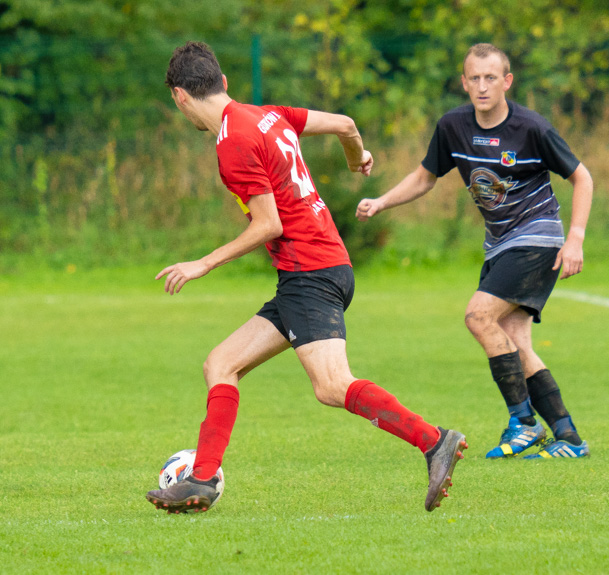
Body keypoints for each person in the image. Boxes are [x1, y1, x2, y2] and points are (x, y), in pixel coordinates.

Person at [145, 41, 467, 514]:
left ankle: (434, 440)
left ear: (179, 97)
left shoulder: (233, 142)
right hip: (317, 267)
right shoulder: (267, 115)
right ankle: (203, 480)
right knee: (221, 364)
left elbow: (268, 225)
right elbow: (345, 124)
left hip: (309, 271)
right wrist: (357, 156)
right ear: (224, 83)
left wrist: (203, 263)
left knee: (333, 385)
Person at [356, 43, 594, 460]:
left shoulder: (531, 128)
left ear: (507, 82)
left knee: (478, 316)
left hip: (538, 236)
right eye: (474, 78)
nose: (482, 87)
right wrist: (381, 201)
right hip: (499, 243)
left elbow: (583, 177)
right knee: (516, 341)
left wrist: (575, 237)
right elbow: (424, 177)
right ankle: (568, 436)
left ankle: (523, 421)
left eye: (491, 78)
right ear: (464, 82)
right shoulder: (453, 126)